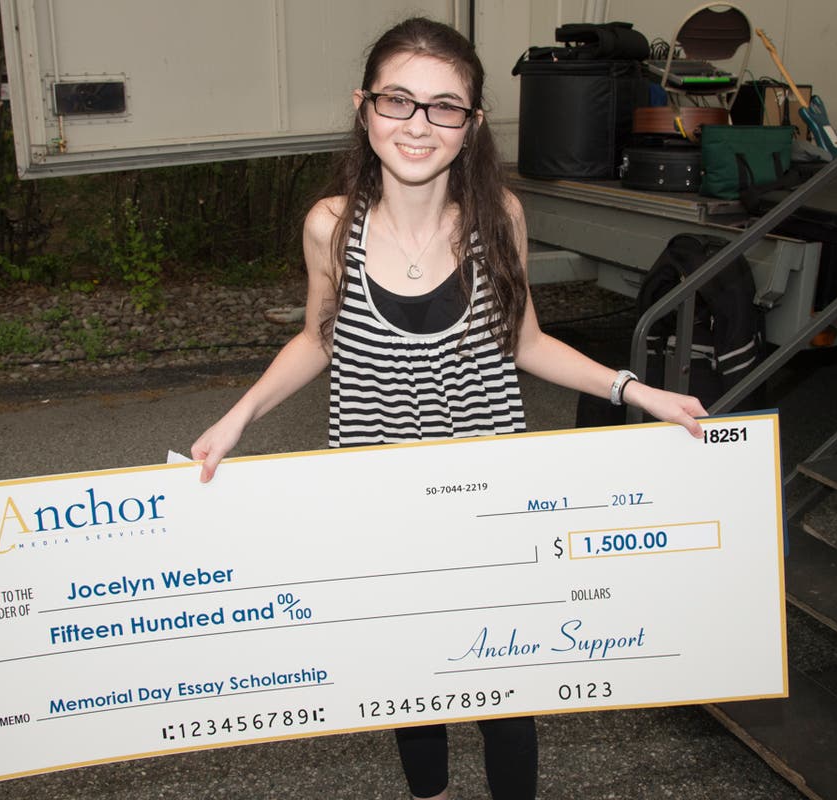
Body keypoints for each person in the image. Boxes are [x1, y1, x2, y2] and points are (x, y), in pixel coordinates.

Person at [191, 16, 707, 800]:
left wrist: (634, 389)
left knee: (508, 696)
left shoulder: (499, 217)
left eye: (444, 107)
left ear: (471, 124)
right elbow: (319, 338)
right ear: (364, 108)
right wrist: (239, 416)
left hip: (488, 503)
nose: (418, 124)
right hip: (380, 499)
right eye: (397, 100)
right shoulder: (330, 226)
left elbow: (526, 340)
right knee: (415, 685)